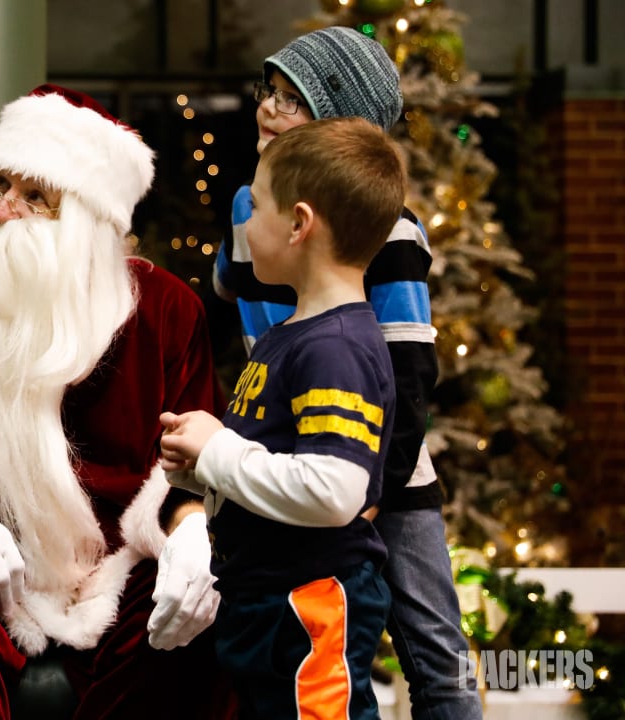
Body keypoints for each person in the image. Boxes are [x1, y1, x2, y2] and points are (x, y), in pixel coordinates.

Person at [0, 85, 236, 719]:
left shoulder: (162, 310)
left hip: (112, 576)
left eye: (36, 197)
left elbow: (189, 461)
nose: (2, 208)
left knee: (193, 593)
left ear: (91, 229)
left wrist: (187, 532)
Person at [211, 26, 484, 720]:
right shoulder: (253, 209)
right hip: (286, 472)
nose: (268, 111)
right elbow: (227, 308)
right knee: (301, 655)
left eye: (291, 101)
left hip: (379, 468)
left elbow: (410, 371)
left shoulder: (388, 232)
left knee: (434, 649)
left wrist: (371, 493)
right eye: (266, 93)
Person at [162, 116, 407, 720]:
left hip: (309, 605)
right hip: (266, 600)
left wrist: (218, 452)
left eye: (256, 206)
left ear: (298, 224)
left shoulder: (336, 348)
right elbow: (275, 460)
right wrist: (203, 468)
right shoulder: (290, 336)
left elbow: (333, 490)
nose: (243, 222)